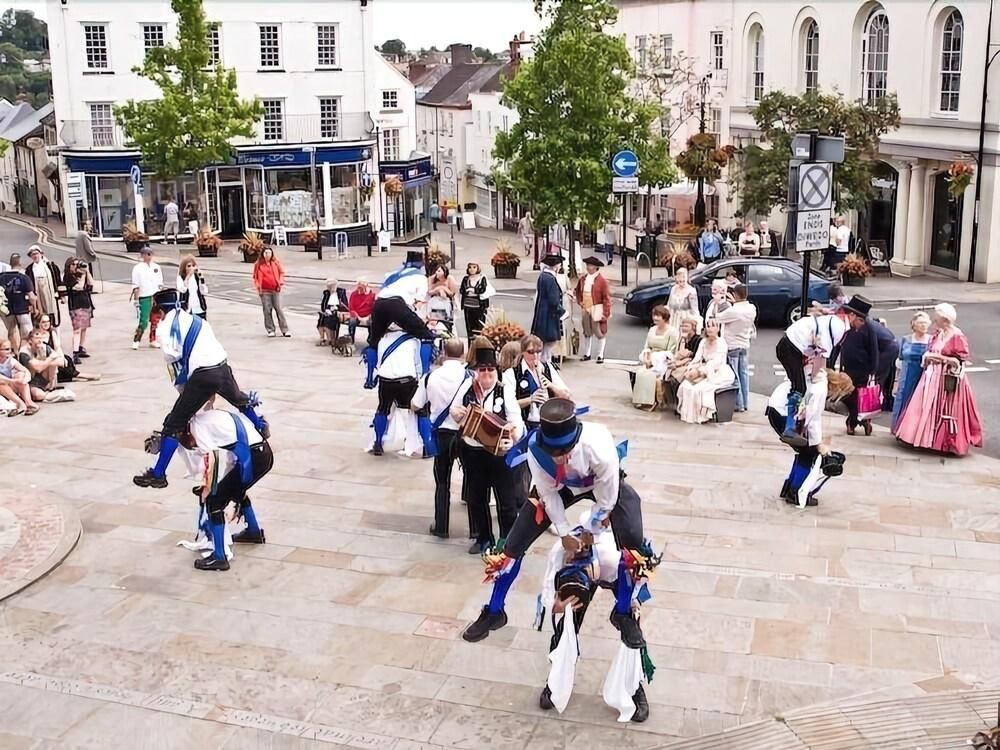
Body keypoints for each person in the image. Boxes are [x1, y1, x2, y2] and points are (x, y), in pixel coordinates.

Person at [461, 399, 647, 649]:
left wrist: (590, 531)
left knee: (634, 541)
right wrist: (564, 532)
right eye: (554, 452)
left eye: (565, 450)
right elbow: (548, 494)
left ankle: (623, 612)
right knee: (513, 545)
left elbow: (607, 499)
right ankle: (495, 611)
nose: (560, 457)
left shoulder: (599, 448)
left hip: (600, 485)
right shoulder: (537, 452)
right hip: (559, 487)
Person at [133, 288, 268, 489]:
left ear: (160, 311)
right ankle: (259, 426)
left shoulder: (164, 329)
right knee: (239, 399)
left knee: (173, 424)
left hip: (202, 375)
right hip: (222, 366)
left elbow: (173, 360)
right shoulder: (198, 320)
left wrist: (185, 393)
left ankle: (158, 473)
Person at [536, 511, 655, 723]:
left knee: (631, 629)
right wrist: (557, 605)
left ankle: (634, 687)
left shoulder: (626, 550)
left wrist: (634, 603)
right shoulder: (565, 548)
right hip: (581, 579)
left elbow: (639, 581)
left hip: (621, 577)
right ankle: (555, 681)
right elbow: (549, 588)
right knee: (566, 626)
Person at [160, 404, 272, 571]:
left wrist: (209, 489)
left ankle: (219, 557)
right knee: (234, 490)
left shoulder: (197, 428)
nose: (189, 445)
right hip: (258, 453)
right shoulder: (203, 419)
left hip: (255, 458)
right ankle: (254, 532)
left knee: (214, 501)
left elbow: (212, 459)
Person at [450, 346, 524, 554]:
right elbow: (454, 409)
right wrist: (457, 414)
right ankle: (483, 538)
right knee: (476, 498)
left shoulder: (504, 391)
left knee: (506, 501)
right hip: (473, 453)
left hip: (499, 455)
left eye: (490, 369)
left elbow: (517, 421)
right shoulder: (467, 387)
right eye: (482, 369)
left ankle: (507, 541)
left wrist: (512, 437)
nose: (486, 374)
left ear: (496, 371)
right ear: (476, 371)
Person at [774, 295, 867, 447]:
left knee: (800, 386)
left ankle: (793, 426)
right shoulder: (838, 327)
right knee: (800, 387)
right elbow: (821, 354)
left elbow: (818, 351)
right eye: (861, 320)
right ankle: (790, 428)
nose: (862, 325)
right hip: (791, 347)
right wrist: (816, 376)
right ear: (851, 315)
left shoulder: (836, 322)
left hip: (792, 346)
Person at [894, 303, 984, 456]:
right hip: (931, 376)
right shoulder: (938, 333)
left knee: (946, 409)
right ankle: (923, 439)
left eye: (937, 319)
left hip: (948, 378)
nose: (934, 321)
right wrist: (929, 358)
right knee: (925, 407)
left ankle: (945, 443)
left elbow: (959, 361)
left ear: (945, 320)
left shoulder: (957, 336)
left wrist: (938, 358)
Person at [765, 361, 852, 508]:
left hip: (776, 409)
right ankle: (795, 492)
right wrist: (818, 444)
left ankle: (789, 489)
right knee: (809, 453)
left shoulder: (817, 378)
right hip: (782, 413)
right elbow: (813, 419)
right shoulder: (820, 389)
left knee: (804, 451)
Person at [411, 338, 468, 539]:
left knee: (442, 481)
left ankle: (442, 526)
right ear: (463, 355)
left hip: (442, 433)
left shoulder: (431, 377)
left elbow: (416, 404)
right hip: (464, 433)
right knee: (472, 479)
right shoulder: (470, 376)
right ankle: (476, 529)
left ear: (444, 354)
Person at [369, 326, 423, 457]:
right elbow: (418, 364)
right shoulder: (414, 341)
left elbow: (379, 362)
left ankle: (378, 443)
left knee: (382, 409)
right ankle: (424, 445)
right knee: (419, 410)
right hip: (406, 380)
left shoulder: (383, 340)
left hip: (386, 379)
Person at [367, 249, 435, 351]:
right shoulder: (421, 278)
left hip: (379, 303)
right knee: (426, 335)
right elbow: (419, 303)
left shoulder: (392, 274)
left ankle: (371, 358)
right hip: (396, 304)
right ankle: (426, 359)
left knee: (375, 340)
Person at [831, 302, 878, 436]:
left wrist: (873, 369)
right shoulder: (844, 326)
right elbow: (837, 345)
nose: (861, 322)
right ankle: (855, 421)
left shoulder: (868, 328)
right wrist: (831, 363)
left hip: (863, 368)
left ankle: (859, 421)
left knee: (861, 396)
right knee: (849, 396)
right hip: (847, 368)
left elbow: (873, 348)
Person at [676, 318, 735, 424]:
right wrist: (692, 368)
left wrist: (701, 372)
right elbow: (697, 358)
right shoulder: (703, 342)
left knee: (698, 390)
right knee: (685, 386)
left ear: (718, 328)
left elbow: (716, 363)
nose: (710, 328)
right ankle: (687, 415)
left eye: (713, 326)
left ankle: (701, 415)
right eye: (708, 326)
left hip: (717, 372)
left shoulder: (722, 343)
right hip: (703, 369)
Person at [711, 284, 757, 413]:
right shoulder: (751, 308)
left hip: (732, 345)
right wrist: (733, 302)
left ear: (735, 294)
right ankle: (745, 402)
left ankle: (739, 404)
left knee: (734, 376)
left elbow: (718, 317)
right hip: (744, 344)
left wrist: (717, 303)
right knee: (744, 375)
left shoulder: (734, 311)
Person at [891, 311, 932, 433]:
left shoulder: (931, 340)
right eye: (920, 323)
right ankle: (899, 429)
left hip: (924, 375)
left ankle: (916, 431)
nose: (923, 325)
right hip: (907, 375)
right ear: (914, 324)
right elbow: (899, 360)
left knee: (921, 402)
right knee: (903, 399)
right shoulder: (906, 339)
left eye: (925, 323)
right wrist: (896, 381)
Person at [633, 305, 678, 410]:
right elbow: (647, 346)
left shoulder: (672, 332)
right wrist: (647, 358)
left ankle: (653, 401)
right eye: (654, 315)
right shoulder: (652, 330)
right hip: (651, 357)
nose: (655, 318)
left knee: (653, 375)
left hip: (663, 360)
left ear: (665, 318)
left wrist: (656, 358)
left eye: (658, 316)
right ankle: (642, 400)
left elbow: (671, 351)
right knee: (641, 373)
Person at [35, 313, 98, 382]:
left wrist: (62, 358)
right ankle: (85, 376)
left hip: (53, 358)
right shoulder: (36, 335)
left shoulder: (51, 333)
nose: (46, 324)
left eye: (48, 321)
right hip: (43, 361)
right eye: (44, 322)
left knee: (66, 364)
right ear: (39, 323)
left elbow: (57, 348)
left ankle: (84, 375)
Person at [575, 256, 611, 364]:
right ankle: (587, 353)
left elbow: (606, 298)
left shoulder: (602, 281)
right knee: (587, 331)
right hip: (586, 308)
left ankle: (600, 355)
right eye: (587, 265)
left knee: (599, 332)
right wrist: (580, 301)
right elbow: (578, 292)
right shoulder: (583, 279)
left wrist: (605, 313)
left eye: (590, 265)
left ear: (595, 267)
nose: (588, 267)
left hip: (597, 308)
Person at [531, 254, 565, 363]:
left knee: (544, 344)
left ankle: (544, 363)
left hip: (541, 313)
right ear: (555, 266)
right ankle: (545, 365)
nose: (559, 267)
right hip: (549, 315)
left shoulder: (542, 276)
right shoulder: (550, 279)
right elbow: (554, 301)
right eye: (559, 265)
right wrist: (562, 312)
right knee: (548, 345)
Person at [1, 253, 37, 351]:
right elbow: (32, 297)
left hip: (7, 310)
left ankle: (14, 352)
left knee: (10, 332)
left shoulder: (1, 277)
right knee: (27, 333)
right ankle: (24, 352)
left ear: (10, 263)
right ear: (20, 263)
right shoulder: (24, 278)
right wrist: (35, 308)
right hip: (22, 309)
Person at [130, 246, 164, 349]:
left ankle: (153, 339)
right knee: (144, 320)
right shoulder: (137, 268)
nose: (148, 256)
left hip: (155, 295)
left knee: (155, 319)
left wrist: (161, 294)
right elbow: (136, 285)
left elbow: (160, 282)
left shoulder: (156, 267)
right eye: (146, 254)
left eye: (150, 254)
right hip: (144, 296)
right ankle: (137, 339)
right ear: (142, 255)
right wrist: (136, 299)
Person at [62, 257, 96, 364]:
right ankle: (75, 352)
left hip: (85, 303)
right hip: (75, 305)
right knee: (77, 329)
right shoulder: (68, 277)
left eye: (77, 264)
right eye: (73, 264)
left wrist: (87, 272)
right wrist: (83, 276)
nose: (76, 267)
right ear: (69, 266)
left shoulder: (82, 274)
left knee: (84, 328)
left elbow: (91, 283)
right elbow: (79, 287)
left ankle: (81, 347)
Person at [251, 248, 290, 338]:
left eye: (269, 253)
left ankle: (285, 330)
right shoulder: (258, 264)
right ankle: (270, 330)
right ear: (262, 254)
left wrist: (280, 282)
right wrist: (258, 286)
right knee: (267, 310)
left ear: (272, 254)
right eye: (266, 252)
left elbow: (281, 273)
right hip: (264, 290)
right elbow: (255, 277)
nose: (267, 254)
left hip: (275, 289)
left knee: (279, 309)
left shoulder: (275, 263)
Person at [458, 262, 495, 345]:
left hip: (479, 307)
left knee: (479, 328)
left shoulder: (482, 278)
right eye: (470, 267)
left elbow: (482, 289)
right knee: (469, 328)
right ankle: (470, 346)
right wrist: (467, 291)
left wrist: (473, 290)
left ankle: (478, 346)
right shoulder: (466, 279)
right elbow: (462, 290)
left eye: (474, 267)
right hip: (468, 306)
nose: (472, 269)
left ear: (478, 268)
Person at [26, 245, 63, 329]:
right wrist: (30, 303)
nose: (35, 256)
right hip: (38, 295)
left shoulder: (51, 266)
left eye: (36, 253)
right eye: (32, 254)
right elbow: (28, 286)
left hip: (50, 294)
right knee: (40, 315)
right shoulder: (29, 269)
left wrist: (62, 295)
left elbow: (58, 281)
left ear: (41, 254)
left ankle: (53, 330)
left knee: (52, 314)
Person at [0, 337, 38, 415]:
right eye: (6, 349)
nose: (9, 351)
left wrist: (23, 379)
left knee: (20, 375)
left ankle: (29, 402)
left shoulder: (10, 360)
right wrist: (12, 381)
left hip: (10, 388)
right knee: (2, 383)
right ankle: (20, 403)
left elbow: (25, 371)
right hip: (3, 388)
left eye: (10, 349)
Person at [869, 317, 899, 412]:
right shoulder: (875, 326)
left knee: (879, 377)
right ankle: (887, 400)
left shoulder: (868, 327)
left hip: (887, 349)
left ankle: (875, 402)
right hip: (892, 347)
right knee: (889, 374)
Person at [666, 267, 699, 332]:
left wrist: (695, 321)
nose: (682, 283)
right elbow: (669, 304)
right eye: (680, 281)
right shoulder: (674, 289)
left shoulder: (691, 291)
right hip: (673, 318)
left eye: (684, 280)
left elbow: (694, 309)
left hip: (685, 318)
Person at [427, 264, 458, 332]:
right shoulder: (431, 278)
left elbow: (452, 293)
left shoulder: (450, 278)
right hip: (434, 303)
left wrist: (443, 288)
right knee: (433, 322)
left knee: (445, 321)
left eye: (439, 271)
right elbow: (429, 291)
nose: (436, 273)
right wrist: (438, 289)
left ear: (444, 272)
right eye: (436, 271)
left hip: (445, 303)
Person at [317, 278, 348, 346]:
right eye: (329, 287)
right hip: (329, 311)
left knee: (329, 320)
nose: (331, 288)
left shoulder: (341, 292)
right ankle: (322, 338)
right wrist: (326, 310)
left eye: (332, 286)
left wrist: (339, 308)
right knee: (321, 318)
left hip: (339, 312)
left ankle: (331, 339)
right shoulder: (326, 293)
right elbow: (323, 305)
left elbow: (345, 305)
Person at [176, 255, 208, 320]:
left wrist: (202, 279)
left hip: (199, 307)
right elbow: (182, 290)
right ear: (184, 267)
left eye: (193, 266)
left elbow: (204, 292)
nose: (191, 268)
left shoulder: (196, 277)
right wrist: (188, 277)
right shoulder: (180, 277)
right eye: (189, 266)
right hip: (187, 308)